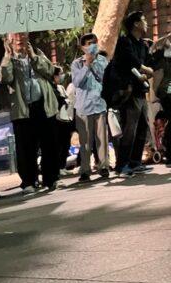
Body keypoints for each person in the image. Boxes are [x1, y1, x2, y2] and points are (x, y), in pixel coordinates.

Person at [0, 33, 59, 194]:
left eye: (22, 37)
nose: (19, 40)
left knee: (49, 144)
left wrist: (33, 56)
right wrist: (7, 58)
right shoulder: (8, 60)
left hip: (43, 106)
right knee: (26, 147)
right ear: (9, 41)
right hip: (22, 109)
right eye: (15, 38)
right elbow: (5, 78)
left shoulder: (37, 53)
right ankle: (29, 181)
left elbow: (50, 71)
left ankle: (51, 178)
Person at [110, 11, 154, 176]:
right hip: (129, 91)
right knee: (130, 129)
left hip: (141, 90)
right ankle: (122, 166)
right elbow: (131, 62)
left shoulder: (142, 44)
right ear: (135, 24)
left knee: (142, 128)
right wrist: (145, 70)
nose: (146, 22)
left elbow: (148, 63)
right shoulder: (124, 41)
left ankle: (135, 162)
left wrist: (148, 70)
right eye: (143, 20)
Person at [71, 33, 110, 183]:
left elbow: (104, 78)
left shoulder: (102, 60)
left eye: (94, 42)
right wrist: (87, 64)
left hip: (100, 104)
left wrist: (94, 63)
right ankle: (85, 170)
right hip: (83, 107)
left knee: (102, 139)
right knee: (85, 142)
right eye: (89, 43)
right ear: (83, 47)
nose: (92, 45)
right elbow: (77, 82)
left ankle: (103, 166)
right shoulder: (77, 63)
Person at [149, 33, 171, 164]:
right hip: (166, 93)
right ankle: (168, 151)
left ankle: (168, 151)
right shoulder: (162, 59)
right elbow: (157, 79)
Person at [53, 65, 74, 177]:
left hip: (65, 118)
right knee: (58, 144)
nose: (61, 76)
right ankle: (57, 167)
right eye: (59, 74)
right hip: (56, 119)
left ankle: (62, 165)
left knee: (66, 143)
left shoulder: (61, 87)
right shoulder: (51, 87)